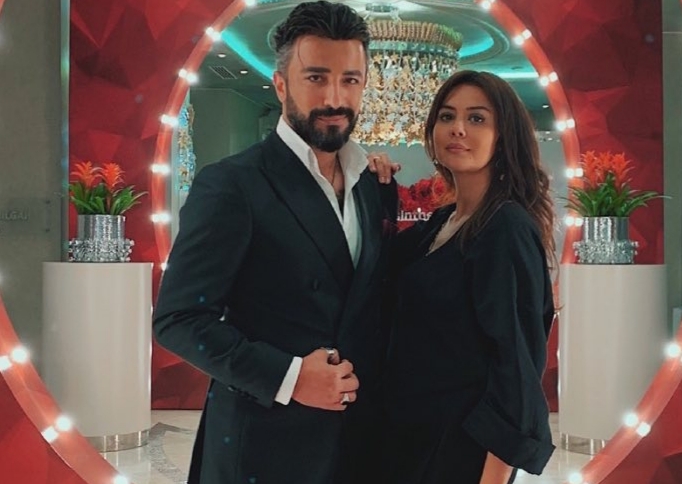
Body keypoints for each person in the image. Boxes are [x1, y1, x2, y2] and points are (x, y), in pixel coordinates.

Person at [152, 2, 397, 483]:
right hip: (262, 449)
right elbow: (178, 320)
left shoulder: (372, 185)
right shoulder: (233, 184)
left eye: (350, 80)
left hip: (358, 443)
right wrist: (289, 377)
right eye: (316, 77)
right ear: (281, 84)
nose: (334, 97)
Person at [377, 70, 557, 484]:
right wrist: (374, 187)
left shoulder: (505, 227)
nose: (458, 128)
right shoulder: (441, 222)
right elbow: (378, 274)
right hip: (410, 438)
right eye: (447, 116)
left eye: (477, 118)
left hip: (461, 450)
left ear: (503, 136)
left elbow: (516, 364)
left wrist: (493, 478)